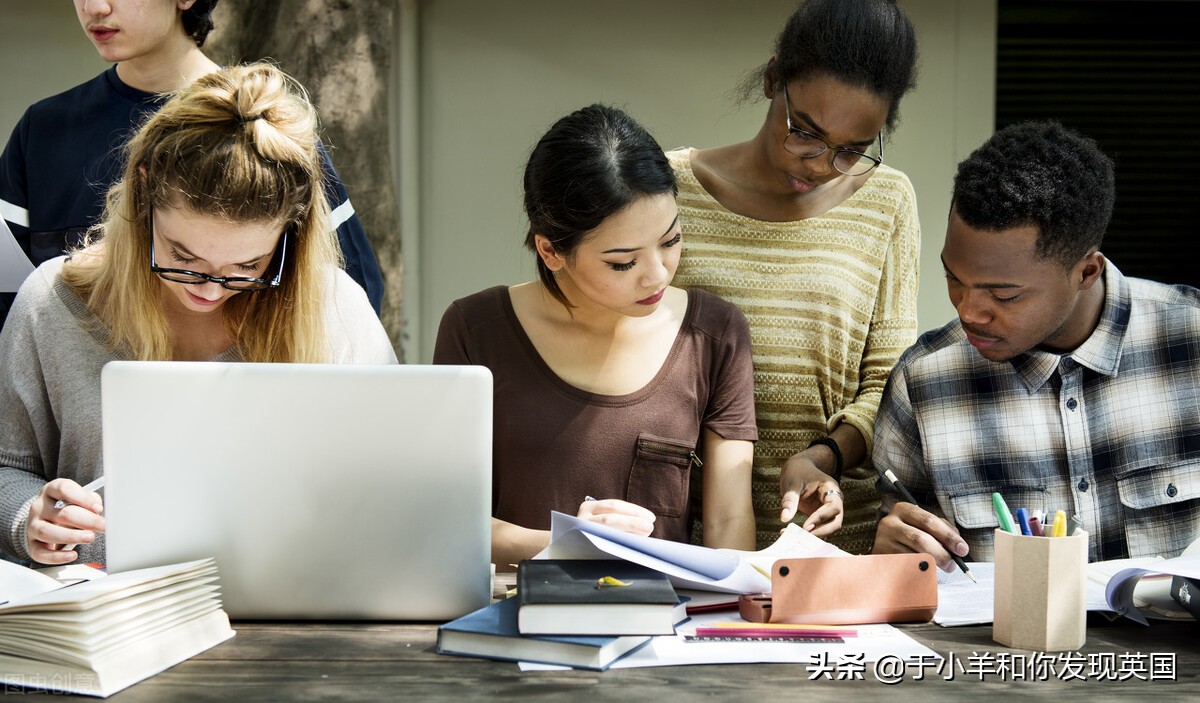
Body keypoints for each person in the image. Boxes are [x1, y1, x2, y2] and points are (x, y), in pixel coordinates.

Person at [0, 62, 397, 567]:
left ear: (291, 234)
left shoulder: (333, 308)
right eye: (183, 258)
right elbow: (4, 468)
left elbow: (393, 481)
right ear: (142, 193)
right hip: (109, 619)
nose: (210, 290)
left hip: (297, 612)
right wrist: (27, 517)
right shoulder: (52, 301)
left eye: (247, 266)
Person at [434, 105, 789, 568]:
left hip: (662, 626)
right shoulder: (475, 330)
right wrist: (566, 540)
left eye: (671, 240)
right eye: (623, 262)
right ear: (550, 250)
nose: (657, 275)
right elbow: (447, 520)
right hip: (513, 618)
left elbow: (727, 524)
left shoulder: (715, 335)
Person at [872, 120, 1200, 569]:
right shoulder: (925, 382)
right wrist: (892, 556)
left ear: (1087, 272)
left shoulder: (1192, 342)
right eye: (953, 278)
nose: (969, 311)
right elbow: (904, 563)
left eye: (1004, 295)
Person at [668, 0, 920, 551]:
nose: (821, 164)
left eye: (852, 150)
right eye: (804, 132)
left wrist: (820, 457)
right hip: (687, 539)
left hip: (830, 536)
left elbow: (890, 385)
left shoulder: (887, 201)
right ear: (772, 78)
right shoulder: (670, 188)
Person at [0, 0, 384, 328]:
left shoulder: (261, 124)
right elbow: (8, 298)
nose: (94, 7)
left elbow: (353, 295)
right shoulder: (45, 128)